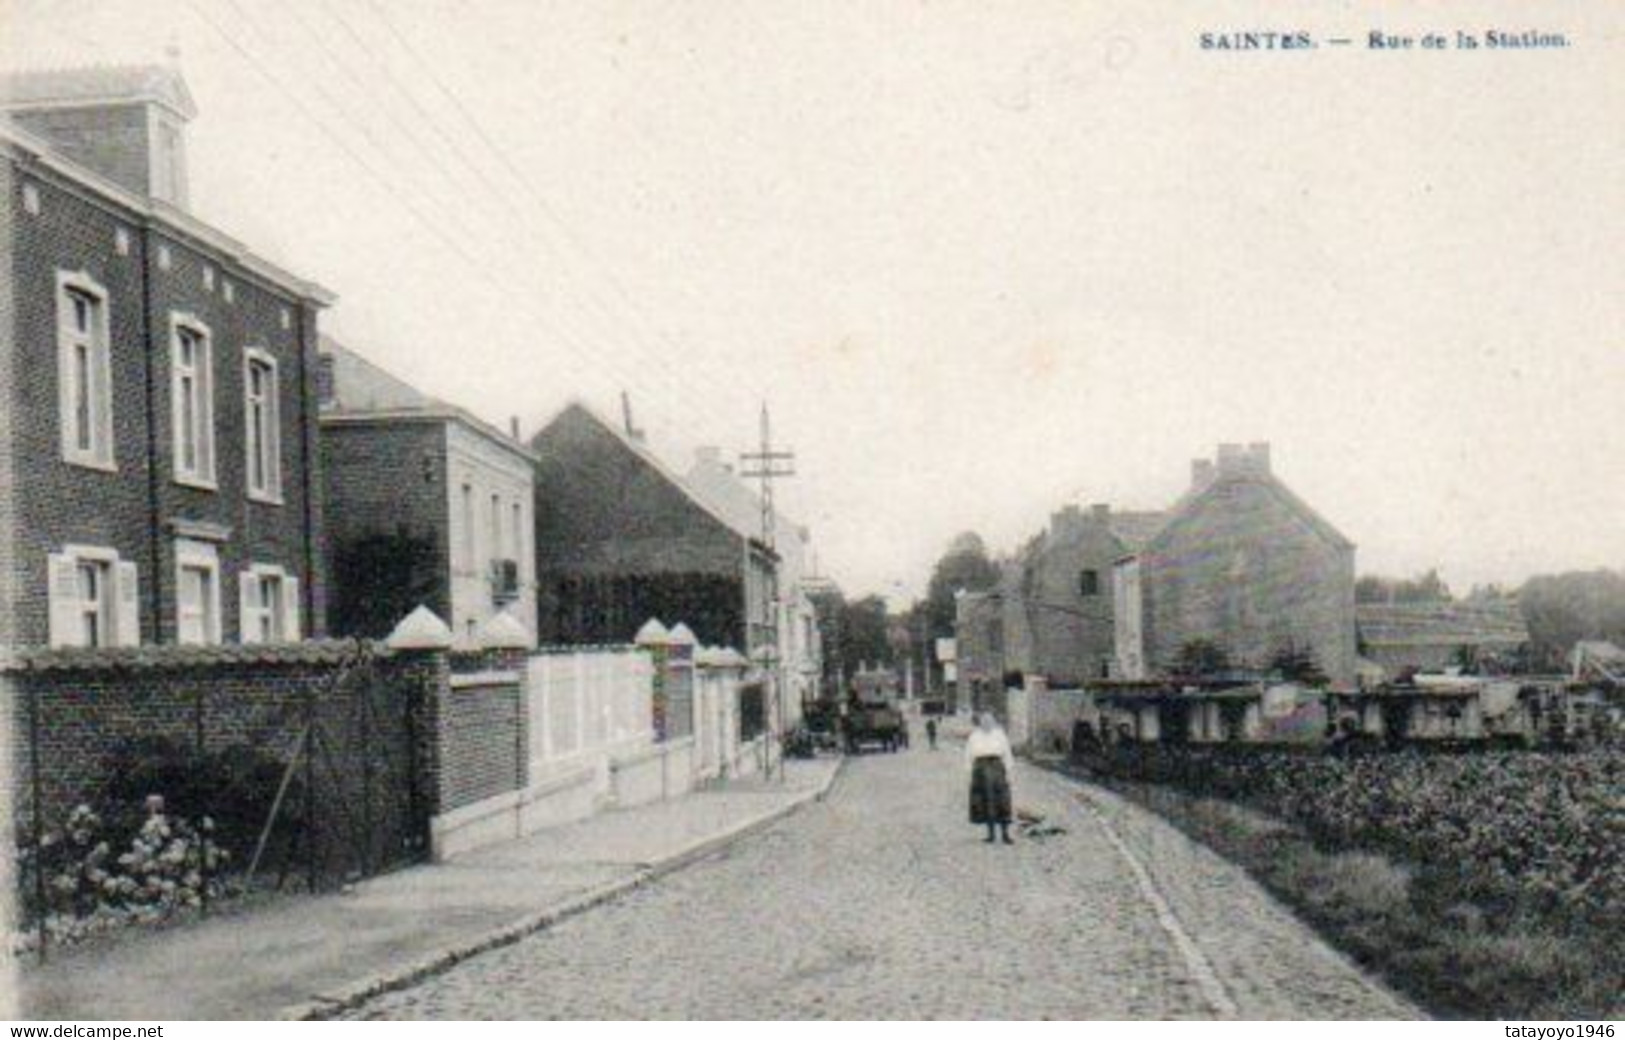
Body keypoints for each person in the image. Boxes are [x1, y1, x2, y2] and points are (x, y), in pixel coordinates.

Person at [965, 712, 1015, 844]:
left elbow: (1007, 754)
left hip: (997, 767)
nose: (986, 724)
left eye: (989, 721)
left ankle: (1005, 834)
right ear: (980, 723)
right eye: (983, 721)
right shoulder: (974, 736)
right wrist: (970, 774)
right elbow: (968, 756)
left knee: (1002, 800)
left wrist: (1009, 772)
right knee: (985, 801)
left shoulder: (1000, 735)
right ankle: (991, 834)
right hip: (980, 769)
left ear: (993, 722)